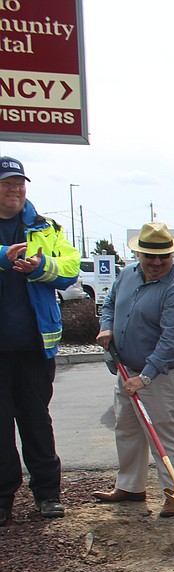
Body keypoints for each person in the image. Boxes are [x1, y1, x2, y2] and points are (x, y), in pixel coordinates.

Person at [94, 223, 174, 518]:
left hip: (162, 375)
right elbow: (110, 304)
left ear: (172, 255)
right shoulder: (127, 274)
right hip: (126, 369)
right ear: (138, 253)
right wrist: (106, 328)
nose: (156, 263)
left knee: (164, 435)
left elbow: (172, 339)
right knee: (127, 429)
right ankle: (130, 486)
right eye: (149, 256)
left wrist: (145, 377)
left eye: (163, 257)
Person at [0, 156, 80, 526]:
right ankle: (3, 499)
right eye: (6, 184)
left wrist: (40, 267)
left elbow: (70, 268)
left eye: (19, 183)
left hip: (34, 347)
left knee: (36, 420)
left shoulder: (45, 227)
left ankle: (47, 494)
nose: (15, 190)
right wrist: (3, 257)